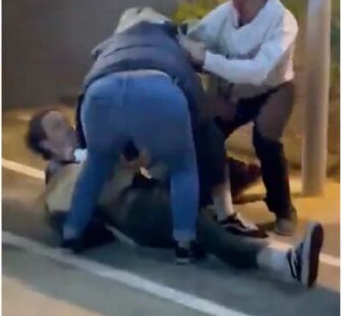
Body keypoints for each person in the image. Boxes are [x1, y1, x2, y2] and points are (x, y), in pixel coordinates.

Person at [26, 109, 324, 287]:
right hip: (133, 209)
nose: (66, 126)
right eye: (56, 126)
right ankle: (283, 262)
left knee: (202, 141)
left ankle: (229, 213)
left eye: (63, 121)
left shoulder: (92, 141)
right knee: (195, 221)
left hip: (149, 187)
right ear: (44, 143)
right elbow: (74, 223)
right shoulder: (57, 176)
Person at [65, 8, 206, 262]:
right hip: (158, 89)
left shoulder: (110, 43)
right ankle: (185, 243)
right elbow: (195, 75)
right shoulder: (171, 39)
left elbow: (90, 76)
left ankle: (72, 233)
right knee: (183, 166)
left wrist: (83, 141)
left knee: (95, 165)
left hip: (99, 93)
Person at [180, 0, 299, 235]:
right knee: (207, 132)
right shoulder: (226, 13)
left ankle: (283, 210)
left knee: (265, 140)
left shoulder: (284, 23)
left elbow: (258, 71)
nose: (239, 5)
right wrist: (180, 35)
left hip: (273, 88)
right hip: (233, 89)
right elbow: (198, 34)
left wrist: (207, 59)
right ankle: (215, 191)